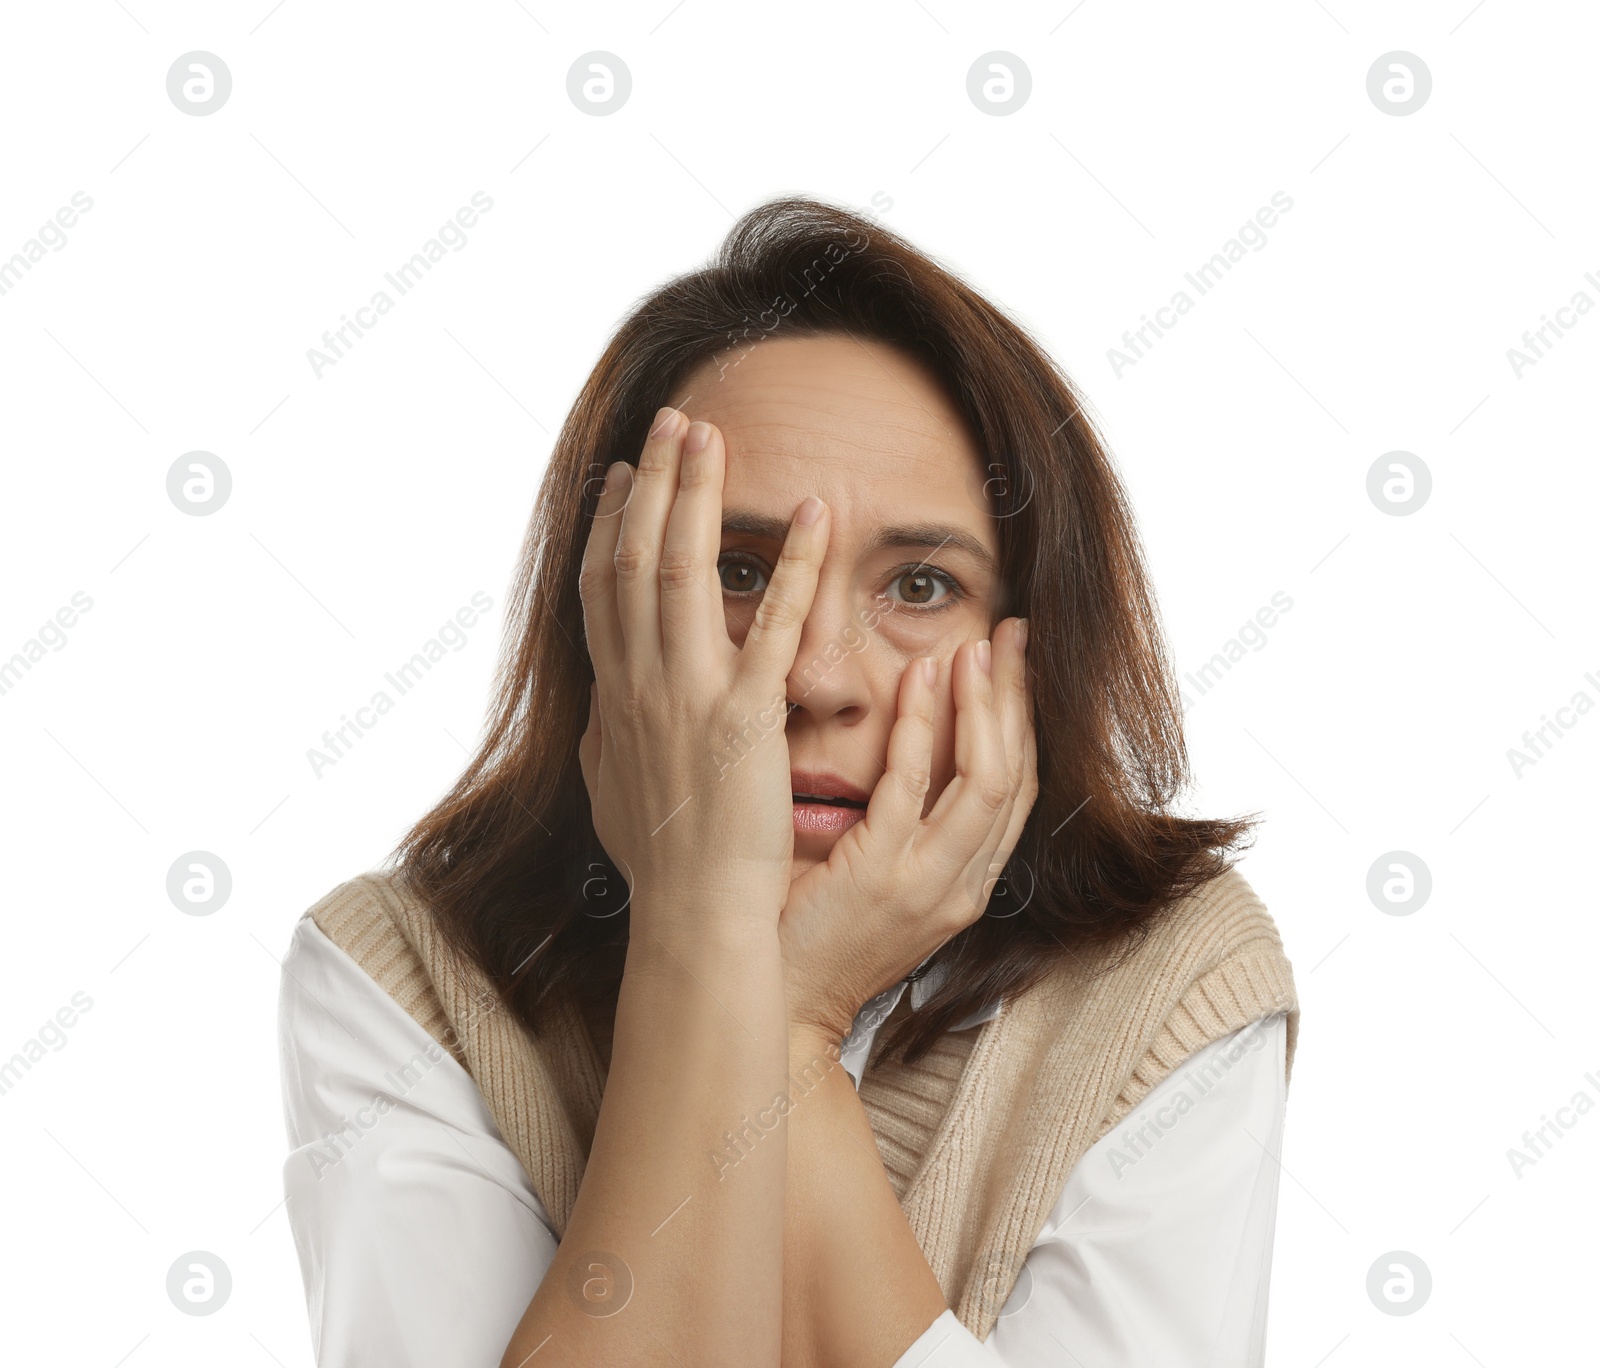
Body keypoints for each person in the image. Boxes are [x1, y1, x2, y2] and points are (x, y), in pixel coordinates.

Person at [278, 195, 1299, 1367]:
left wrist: (784, 1023)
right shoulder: (398, 975)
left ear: (1033, 642)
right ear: (601, 602)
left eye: (919, 587)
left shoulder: (1174, 975)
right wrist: (703, 923)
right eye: (736, 568)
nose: (814, 676)